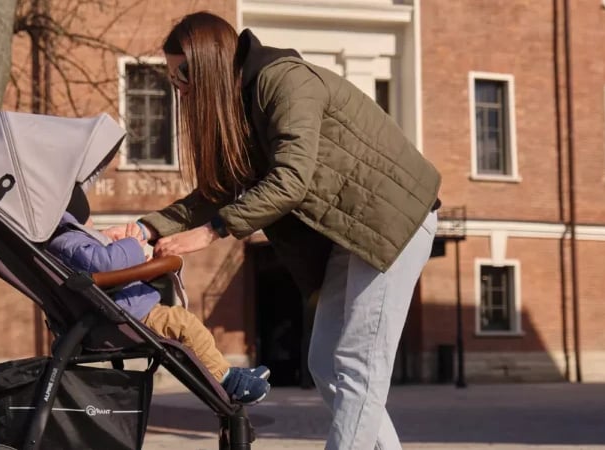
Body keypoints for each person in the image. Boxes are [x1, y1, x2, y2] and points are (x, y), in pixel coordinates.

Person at [104, 12, 442, 450]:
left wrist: (213, 232)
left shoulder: (283, 82)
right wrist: (145, 228)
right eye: (172, 79)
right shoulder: (239, 108)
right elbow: (216, 191)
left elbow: (291, 178)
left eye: (184, 74)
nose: (180, 88)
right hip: (352, 233)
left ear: (211, 62)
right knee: (325, 362)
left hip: (396, 223)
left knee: (357, 364)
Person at [48, 184, 271, 404]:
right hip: (124, 318)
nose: (94, 227)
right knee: (184, 324)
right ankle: (229, 381)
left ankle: (226, 373)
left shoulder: (66, 242)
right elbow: (105, 265)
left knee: (186, 329)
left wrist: (133, 269)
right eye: (90, 221)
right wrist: (132, 244)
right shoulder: (70, 242)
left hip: (119, 314)